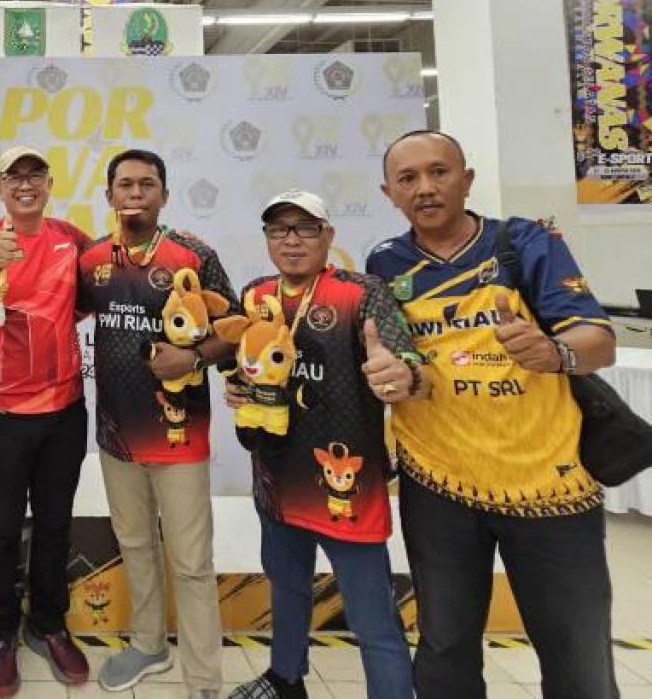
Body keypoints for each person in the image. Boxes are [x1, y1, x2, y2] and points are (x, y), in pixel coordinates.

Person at [367, 130, 619, 699]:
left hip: (549, 484)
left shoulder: (523, 243)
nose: (425, 188)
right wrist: (400, 378)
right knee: (445, 649)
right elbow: (404, 360)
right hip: (439, 485)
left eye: (439, 172)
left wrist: (555, 353)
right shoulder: (384, 263)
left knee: (577, 655)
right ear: (389, 193)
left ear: (467, 179)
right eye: (408, 178)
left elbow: (598, 340)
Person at [224, 190, 420, 699]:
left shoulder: (362, 292)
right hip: (276, 478)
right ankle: (286, 679)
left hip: (346, 485)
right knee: (288, 589)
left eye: (305, 228)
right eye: (279, 229)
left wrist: (399, 370)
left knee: (372, 617)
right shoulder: (255, 294)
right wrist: (236, 386)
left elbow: (402, 357)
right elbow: (245, 363)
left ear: (328, 235)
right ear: (267, 238)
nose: (291, 240)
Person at [76, 150, 238, 699]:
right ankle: (148, 646)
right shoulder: (91, 259)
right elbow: (60, 311)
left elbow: (233, 330)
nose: (136, 193)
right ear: (110, 196)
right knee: (136, 545)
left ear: (164, 195)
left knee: (191, 562)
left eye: (147, 184)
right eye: (125, 184)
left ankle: (204, 680)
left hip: (179, 435)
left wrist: (193, 358)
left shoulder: (194, 254)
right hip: (116, 434)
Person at [0, 146, 92, 697]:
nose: (25, 185)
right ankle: (1, 633)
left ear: (49, 183)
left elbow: (88, 298)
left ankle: (48, 625)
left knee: (54, 523)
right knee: (3, 526)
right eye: (14, 177)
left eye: (35, 175)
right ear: (0, 188)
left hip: (65, 410)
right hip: (4, 411)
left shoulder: (71, 238)